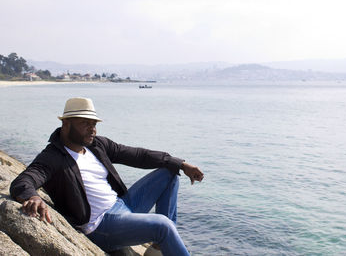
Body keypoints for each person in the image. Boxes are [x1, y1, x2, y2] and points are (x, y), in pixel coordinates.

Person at [10, 97, 204, 256]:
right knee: (164, 226)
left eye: (94, 124)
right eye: (85, 123)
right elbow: (23, 181)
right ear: (66, 124)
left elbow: (138, 155)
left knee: (169, 172)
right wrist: (33, 197)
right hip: (101, 225)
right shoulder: (52, 157)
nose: (92, 129)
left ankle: (158, 248)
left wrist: (181, 163)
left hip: (122, 205)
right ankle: (165, 239)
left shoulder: (97, 145)